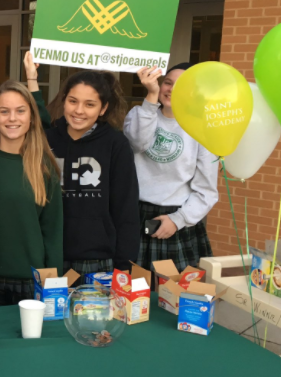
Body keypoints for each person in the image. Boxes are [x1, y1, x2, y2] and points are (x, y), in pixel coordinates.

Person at [44, 64, 140, 277]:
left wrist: (125, 265)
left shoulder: (116, 145)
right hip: (49, 255)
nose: (79, 111)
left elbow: (126, 209)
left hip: (97, 260)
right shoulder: (46, 140)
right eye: (73, 101)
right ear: (64, 101)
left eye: (89, 104)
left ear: (103, 108)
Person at [0, 80, 63, 306]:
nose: (12, 118)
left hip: (31, 280)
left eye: (20, 111)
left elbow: (52, 232)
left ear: (32, 116)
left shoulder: (44, 166)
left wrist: (53, 283)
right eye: (4, 111)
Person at [124, 63, 218, 270]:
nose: (172, 90)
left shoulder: (202, 129)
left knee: (176, 296)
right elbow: (139, 143)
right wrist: (150, 98)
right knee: (132, 293)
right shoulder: (138, 114)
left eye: (182, 86)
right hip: (133, 212)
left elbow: (206, 191)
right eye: (168, 83)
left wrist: (178, 220)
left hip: (175, 218)